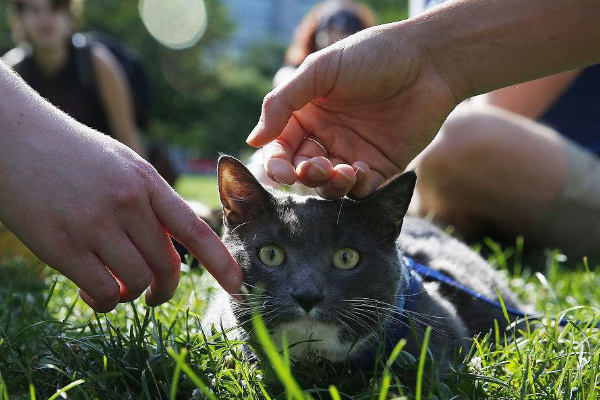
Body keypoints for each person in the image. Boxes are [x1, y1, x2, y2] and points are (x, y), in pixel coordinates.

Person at [247, 0, 600, 255]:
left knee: (461, 139)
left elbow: (489, 120)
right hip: (465, 192)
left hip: (559, 168)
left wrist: (424, 61)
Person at [0, 60, 243, 312]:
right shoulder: (17, 62)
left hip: (106, 177)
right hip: (67, 188)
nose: (43, 19)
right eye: (30, 15)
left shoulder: (94, 60)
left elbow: (126, 133)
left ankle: (205, 216)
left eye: (56, 15)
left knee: (176, 229)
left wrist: (135, 192)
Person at [248, 0, 375, 192]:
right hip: (298, 154)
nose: (338, 34)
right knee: (259, 168)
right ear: (315, 33)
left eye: (349, 26)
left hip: (352, 157)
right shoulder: (291, 72)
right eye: (330, 26)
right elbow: (283, 81)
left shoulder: (373, 82)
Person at [3, 0, 146, 157]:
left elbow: (126, 136)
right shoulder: (12, 71)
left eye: (55, 8)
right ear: (20, 19)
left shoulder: (96, 63)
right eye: (34, 10)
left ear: (69, 15)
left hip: (101, 171)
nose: (45, 19)